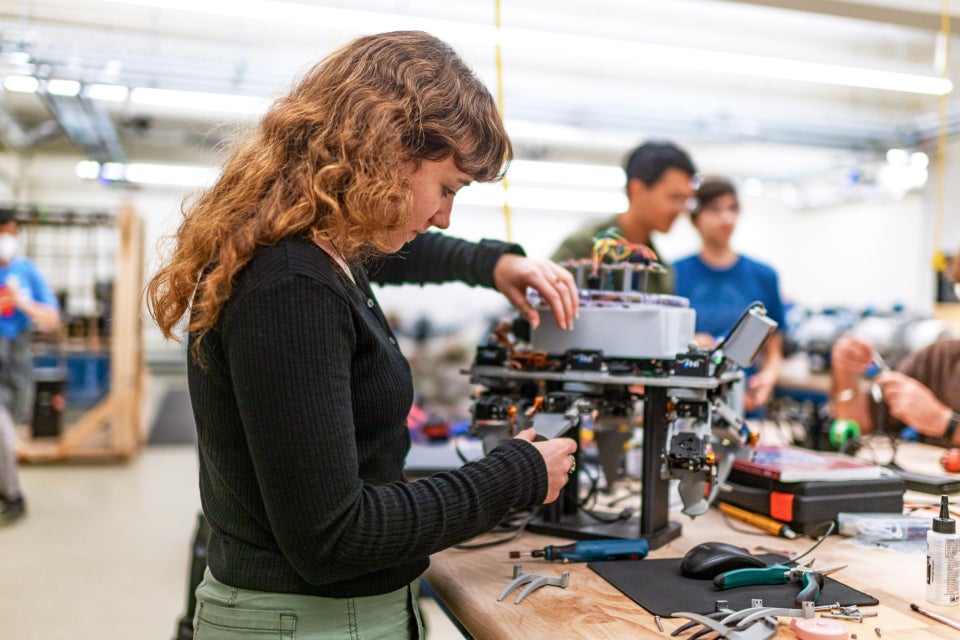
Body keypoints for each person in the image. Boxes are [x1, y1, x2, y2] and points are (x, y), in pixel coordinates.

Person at [145, 31, 579, 639]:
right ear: (389, 151)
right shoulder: (291, 285)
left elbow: (407, 252)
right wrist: (515, 476)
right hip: (304, 625)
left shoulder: (317, 250)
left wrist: (494, 264)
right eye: (448, 188)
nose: (443, 215)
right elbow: (335, 537)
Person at [674, 177, 785, 414]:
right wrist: (687, 342)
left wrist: (767, 378)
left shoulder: (764, 276)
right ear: (695, 219)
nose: (726, 219)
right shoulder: (674, 275)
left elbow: (774, 352)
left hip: (745, 404)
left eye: (732, 208)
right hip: (687, 405)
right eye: (715, 210)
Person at [550, 140, 697, 294]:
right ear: (636, 190)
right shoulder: (581, 249)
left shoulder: (660, 272)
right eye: (674, 197)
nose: (681, 209)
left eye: (685, 200)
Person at [0, 210, 60, 525]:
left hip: (16, 366)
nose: (7, 239)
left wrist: (22, 302)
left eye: (12, 233)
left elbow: (51, 320)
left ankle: (11, 496)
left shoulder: (26, 272)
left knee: (5, 435)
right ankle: (12, 496)